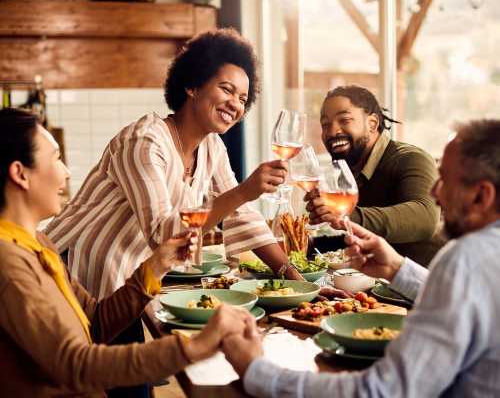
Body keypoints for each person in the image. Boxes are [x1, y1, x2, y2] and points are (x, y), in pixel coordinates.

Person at [44, 28, 302, 396]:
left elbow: (240, 215)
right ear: (192, 86)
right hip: (84, 273)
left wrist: (291, 276)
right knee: (116, 385)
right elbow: (164, 231)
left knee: (135, 385)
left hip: (129, 280)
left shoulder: (212, 147)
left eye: (243, 98)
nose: (235, 103)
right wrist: (246, 189)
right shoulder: (144, 140)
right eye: (226, 89)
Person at [222, 118, 500, 397]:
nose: (434, 192)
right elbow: (471, 301)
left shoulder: (466, 259)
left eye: (444, 179)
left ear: (481, 196)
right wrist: (396, 268)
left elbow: (383, 391)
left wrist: (256, 370)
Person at [0, 108, 255, 397]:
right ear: (20, 174)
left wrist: (155, 266)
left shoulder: (39, 244)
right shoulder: (9, 265)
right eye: (57, 158)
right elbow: (76, 365)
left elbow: (96, 323)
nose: (67, 171)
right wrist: (193, 346)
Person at [305, 85, 443, 266]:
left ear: (372, 123)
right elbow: (360, 236)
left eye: (344, 120)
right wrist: (309, 246)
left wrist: (345, 216)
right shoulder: (349, 171)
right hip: (375, 282)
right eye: (326, 124)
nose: (332, 131)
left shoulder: (411, 159)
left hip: (422, 286)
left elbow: (425, 218)